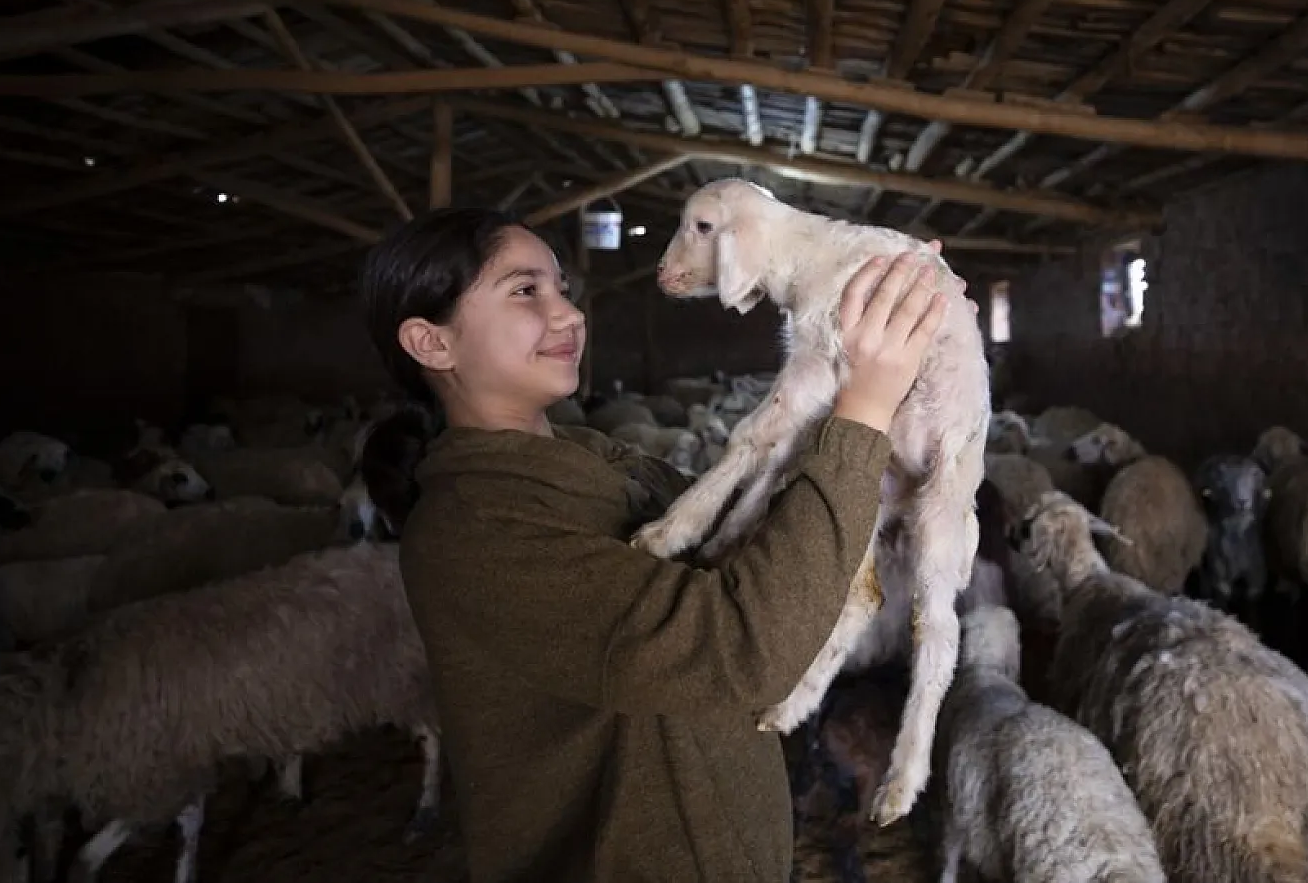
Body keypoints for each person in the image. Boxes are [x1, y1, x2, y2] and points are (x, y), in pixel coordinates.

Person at [357, 205, 961, 883]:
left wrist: (881, 337)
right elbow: (744, 645)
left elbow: (766, 556)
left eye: (563, 288)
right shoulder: (473, 532)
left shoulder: (599, 460)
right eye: (527, 291)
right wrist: (862, 408)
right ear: (432, 342)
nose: (569, 315)